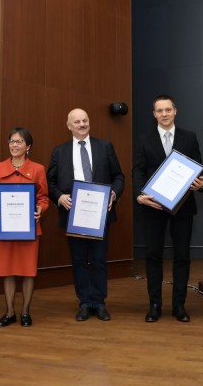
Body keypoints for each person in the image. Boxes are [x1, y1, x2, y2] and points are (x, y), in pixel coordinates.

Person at [132, 95, 203, 323]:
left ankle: (179, 305)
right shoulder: (144, 140)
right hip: (153, 206)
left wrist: (201, 183)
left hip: (183, 207)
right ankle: (154, 305)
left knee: (182, 255)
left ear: (175, 111)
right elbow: (138, 171)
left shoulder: (189, 137)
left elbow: (198, 168)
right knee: (153, 255)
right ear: (154, 114)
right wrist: (139, 195)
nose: (164, 114)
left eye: (168, 110)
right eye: (159, 110)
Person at [47, 108, 124, 322]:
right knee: (79, 260)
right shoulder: (59, 151)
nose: (82, 124)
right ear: (69, 125)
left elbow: (119, 176)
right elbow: (49, 182)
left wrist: (114, 194)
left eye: (85, 120)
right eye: (77, 121)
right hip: (74, 214)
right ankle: (84, 302)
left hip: (100, 213)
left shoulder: (105, 146)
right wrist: (59, 198)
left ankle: (99, 302)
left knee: (99, 260)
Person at [0, 127, 49, 327]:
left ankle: (25, 312)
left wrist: (40, 209)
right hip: (5, 228)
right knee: (7, 270)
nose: (14, 145)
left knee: (28, 271)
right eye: (12, 141)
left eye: (19, 142)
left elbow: (44, 197)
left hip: (29, 228)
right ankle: (9, 312)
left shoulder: (38, 169)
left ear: (28, 146)